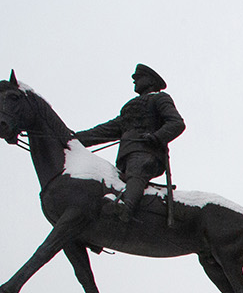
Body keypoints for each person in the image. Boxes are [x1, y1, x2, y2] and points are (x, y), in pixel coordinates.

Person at [75, 64, 185, 221]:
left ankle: (125, 210)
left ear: (150, 81)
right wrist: (75, 139)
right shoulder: (130, 107)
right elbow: (106, 130)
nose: (134, 81)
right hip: (125, 158)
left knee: (137, 171)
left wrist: (156, 137)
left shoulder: (160, 98)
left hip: (148, 154)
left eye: (138, 78)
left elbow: (176, 123)